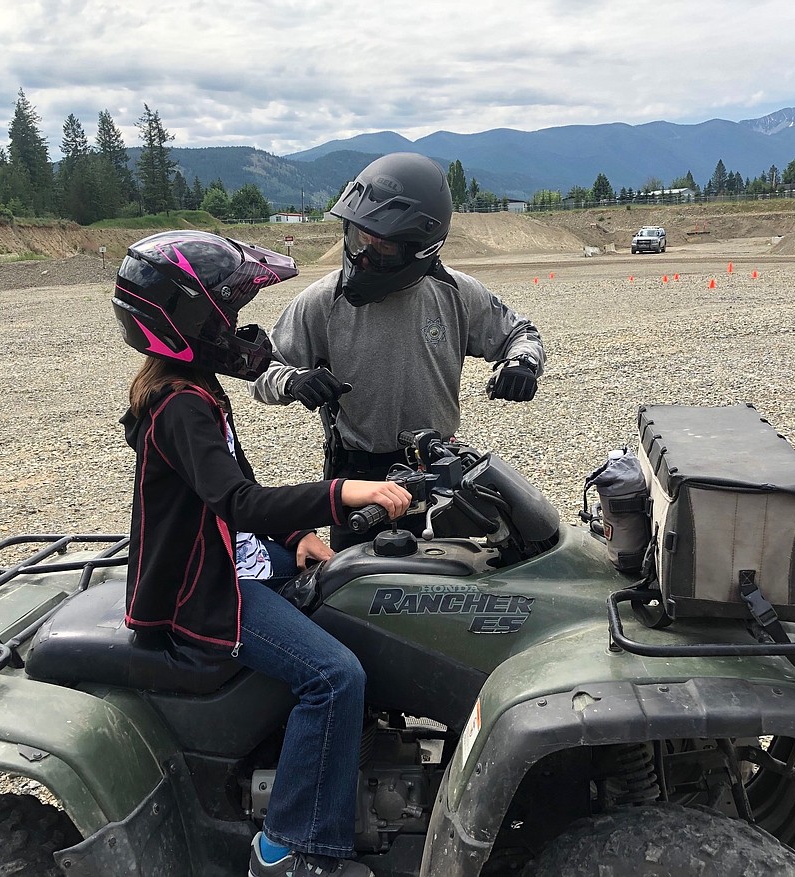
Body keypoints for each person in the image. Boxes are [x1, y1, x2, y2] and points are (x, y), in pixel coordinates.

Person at [112, 229, 411, 877]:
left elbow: (239, 504)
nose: (243, 329)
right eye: (232, 312)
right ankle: (287, 848)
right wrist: (342, 494)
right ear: (192, 319)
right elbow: (240, 501)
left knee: (356, 592)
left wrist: (294, 537)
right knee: (335, 676)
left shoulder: (192, 389)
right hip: (204, 594)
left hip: (228, 558)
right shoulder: (180, 408)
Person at [250, 152, 545, 549]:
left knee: (449, 584)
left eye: (383, 247)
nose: (364, 255)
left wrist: (522, 364)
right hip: (359, 476)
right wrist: (292, 380)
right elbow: (262, 371)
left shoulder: (456, 293)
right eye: (358, 238)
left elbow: (521, 332)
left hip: (438, 471)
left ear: (420, 247)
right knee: (357, 595)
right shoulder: (323, 300)